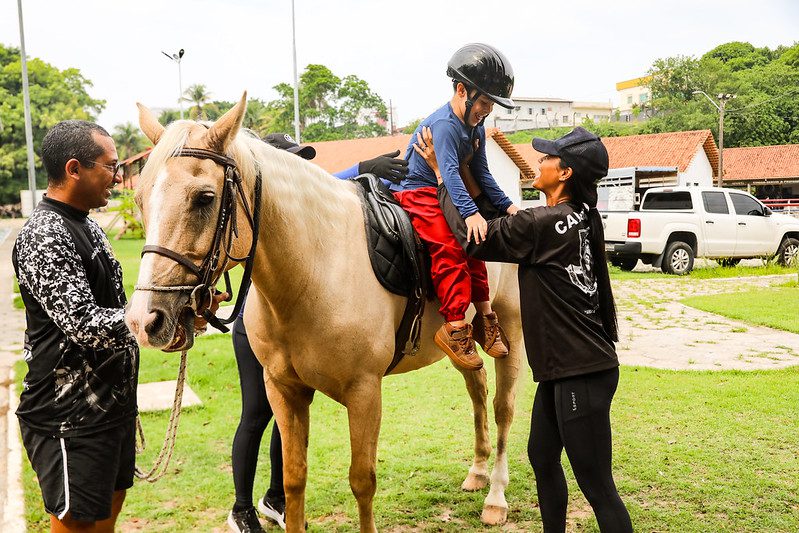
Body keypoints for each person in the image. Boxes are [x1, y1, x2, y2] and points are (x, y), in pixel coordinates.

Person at [421, 126, 633, 532]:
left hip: (580, 374)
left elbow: (474, 238)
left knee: (598, 487)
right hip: (566, 371)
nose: (539, 160)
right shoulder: (580, 218)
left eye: (547, 156)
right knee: (541, 456)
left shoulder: (543, 225)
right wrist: (469, 176)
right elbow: (500, 220)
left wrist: (442, 177)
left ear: (565, 173)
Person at [227, 133, 409, 533]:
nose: (302, 171)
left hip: (289, 327)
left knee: (281, 423)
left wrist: (361, 174)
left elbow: (325, 187)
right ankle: (241, 506)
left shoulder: (301, 208)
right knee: (254, 417)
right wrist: (361, 169)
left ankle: (275, 497)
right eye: (295, 162)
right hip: (253, 327)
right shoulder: (262, 199)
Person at [393, 43, 520, 372]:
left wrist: (507, 208)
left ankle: (484, 318)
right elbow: (448, 173)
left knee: (475, 244)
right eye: (484, 103)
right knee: (449, 249)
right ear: (462, 90)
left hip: (444, 188)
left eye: (491, 105)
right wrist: (471, 213)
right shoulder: (447, 126)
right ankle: (454, 328)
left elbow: (482, 174)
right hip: (417, 190)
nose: (487, 111)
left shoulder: (474, 126)